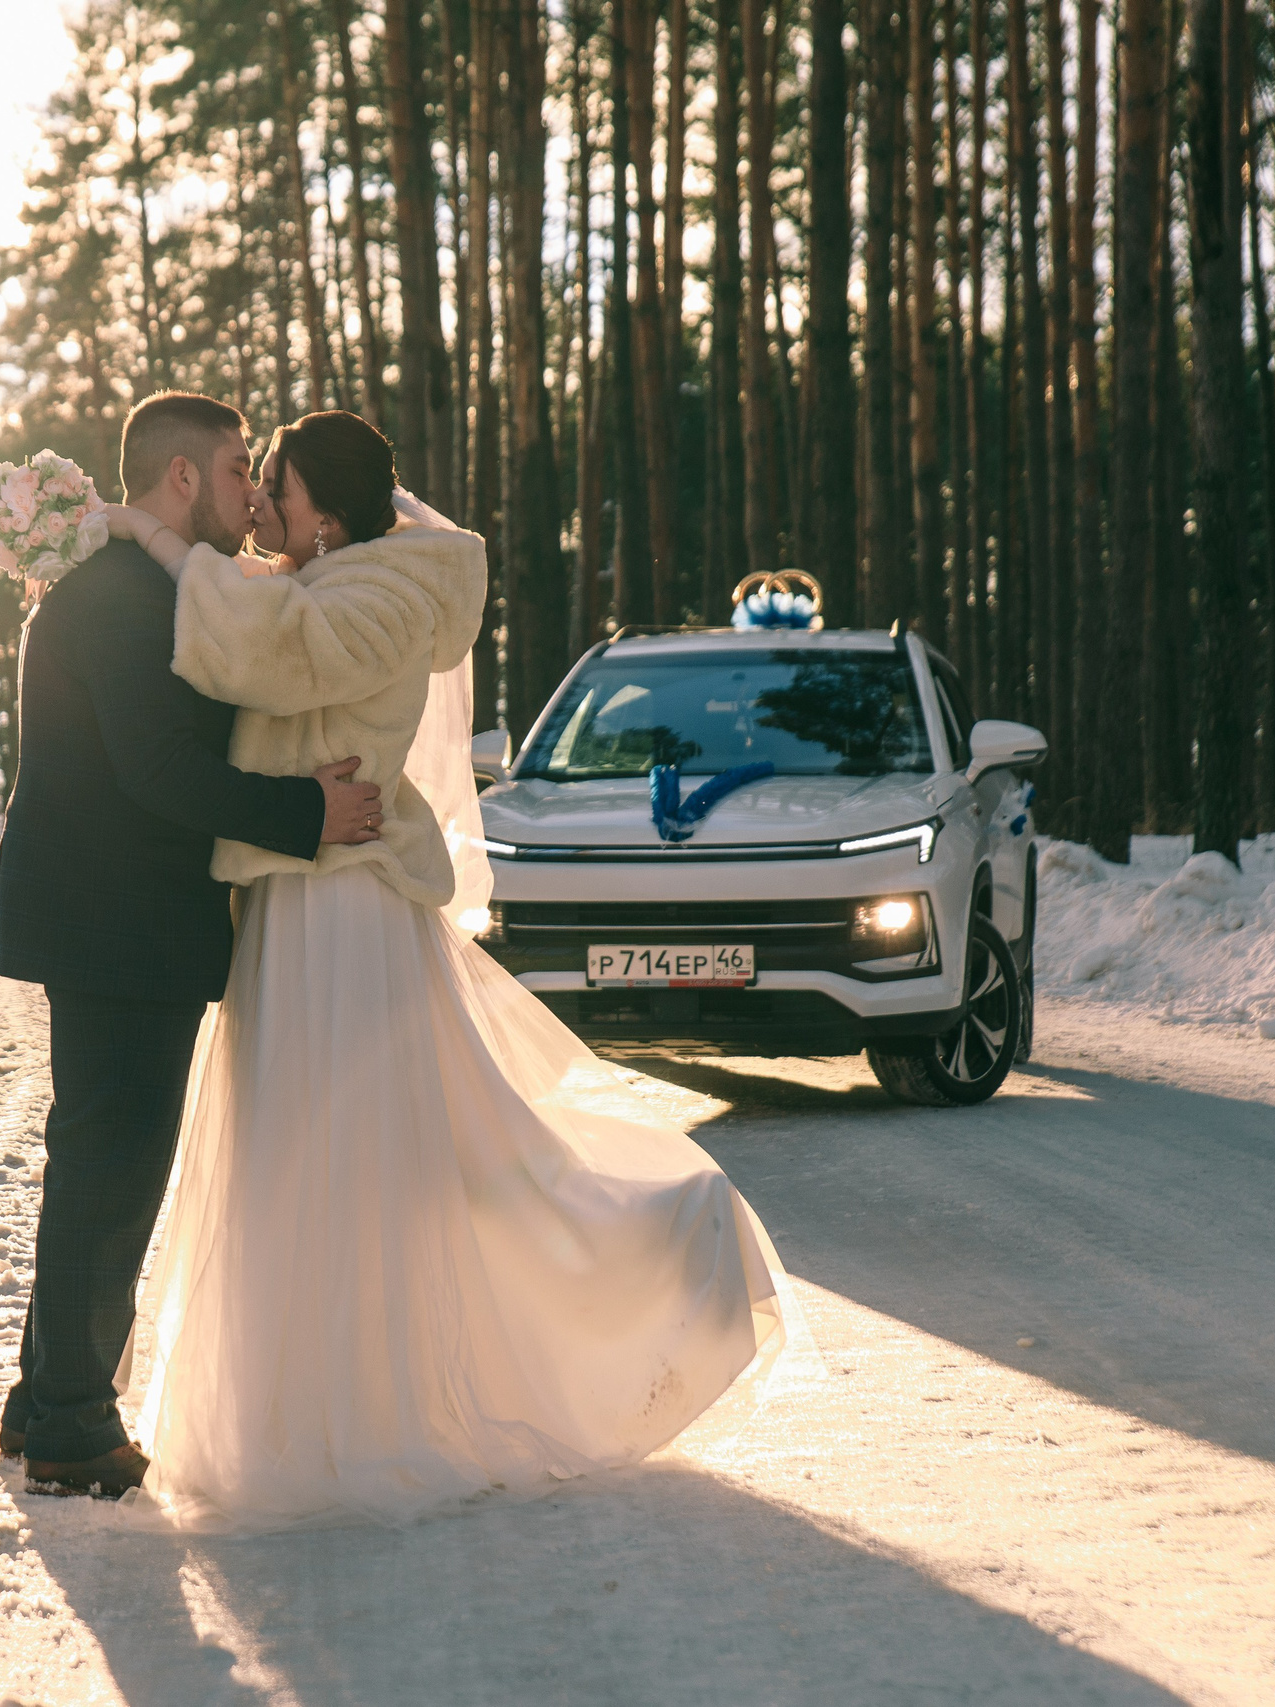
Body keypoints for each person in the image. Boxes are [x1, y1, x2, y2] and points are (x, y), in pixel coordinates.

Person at [99, 410, 786, 1530]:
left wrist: (158, 539)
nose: (259, 500)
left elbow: (264, 651)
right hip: (295, 899)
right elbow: (258, 621)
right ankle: (300, 1407)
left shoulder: (381, 596)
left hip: (345, 911)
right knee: (293, 1153)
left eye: (277, 485)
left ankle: (386, 1406)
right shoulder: (323, 579)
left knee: (355, 1158)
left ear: (328, 514)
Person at [0, 391, 387, 1498]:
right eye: (240, 466)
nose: (252, 490)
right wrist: (306, 812)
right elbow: (159, 770)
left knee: (99, 1163)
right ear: (182, 478)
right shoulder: (121, 598)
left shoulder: (148, 584)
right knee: (110, 1170)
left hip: (120, 918)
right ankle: (70, 1428)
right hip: (115, 919)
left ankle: (43, 1398)